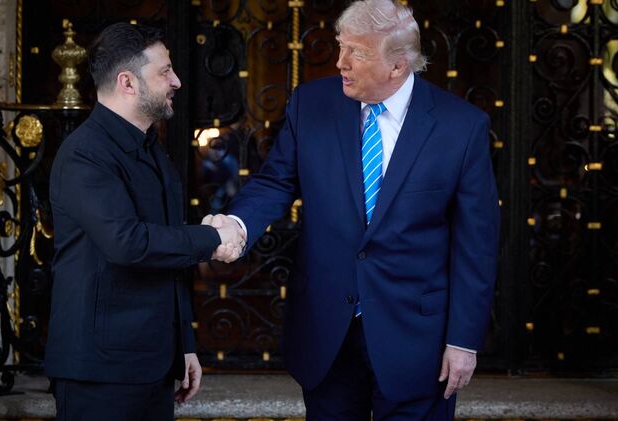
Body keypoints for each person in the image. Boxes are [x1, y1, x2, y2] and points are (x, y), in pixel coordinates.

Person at [208, 1, 500, 419]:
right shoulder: (310, 104)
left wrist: (463, 340)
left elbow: (477, 243)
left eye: (357, 53)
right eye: (340, 45)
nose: (340, 62)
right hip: (327, 334)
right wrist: (237, 225)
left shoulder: (462, 126)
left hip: (418, 341)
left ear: (398, 66)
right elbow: (275, 182)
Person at [45, 22, 244, 421]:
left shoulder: (151, 148)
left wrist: (184, 345)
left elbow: (167, 258)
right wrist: (212, 239)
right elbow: (128, 243)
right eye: (165, 71)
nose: (177, 81)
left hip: (152, 364)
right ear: (128, 82)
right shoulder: (84, 154)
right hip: (99, 373)